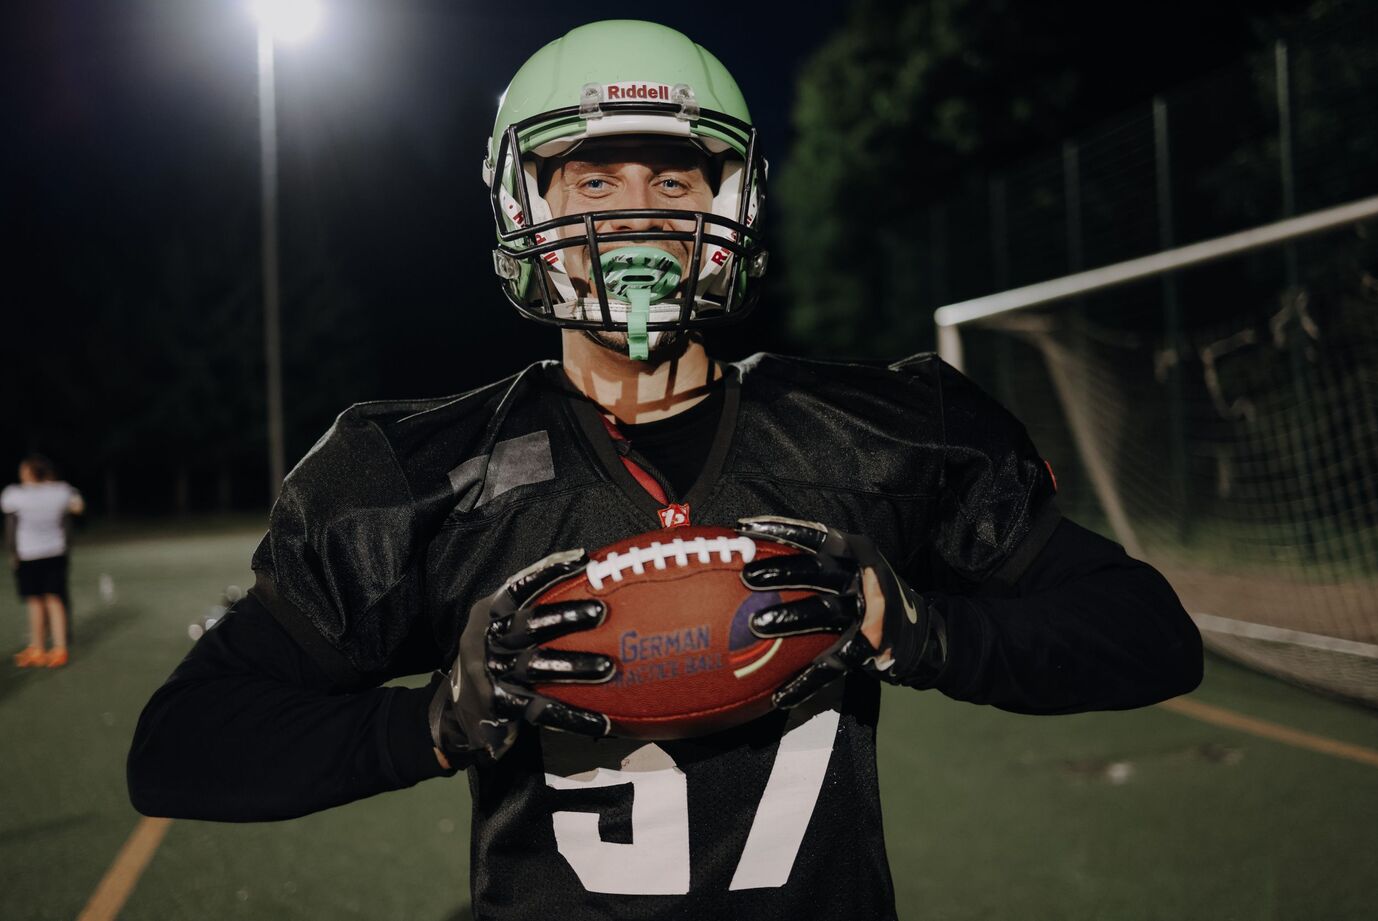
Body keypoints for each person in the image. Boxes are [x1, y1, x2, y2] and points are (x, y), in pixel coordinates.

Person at [128, 20, 1202, 919]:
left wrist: (906, 624)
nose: (638, 211)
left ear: (728, 206)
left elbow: (1150, 637)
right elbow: (181, 748)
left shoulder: (876, 431)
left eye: (674, 176)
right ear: (524, 207)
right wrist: (436, 720)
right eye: (594, 177)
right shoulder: (415, 476)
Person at [4, 454, 84, 668]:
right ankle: (58, 648)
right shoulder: (60, 491)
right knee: (54, 600)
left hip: (28, 553)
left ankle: (38, 647)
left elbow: (11, 527)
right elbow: (78, 507)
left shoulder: (14, 494)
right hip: (55, 552)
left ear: (30, 472)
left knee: (35, 602)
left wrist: (12, 553)